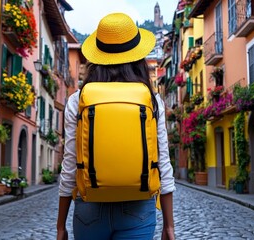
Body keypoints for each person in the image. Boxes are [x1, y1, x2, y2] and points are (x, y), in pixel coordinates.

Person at [56, 12, 176, 240]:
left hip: (89, 208)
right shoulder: (152, 99)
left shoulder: (77, 100)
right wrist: (169, 225)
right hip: (138, 208)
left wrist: (60, 225)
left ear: (97, 56)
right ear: (138, 56)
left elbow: (70, 165)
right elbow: (163, 164)